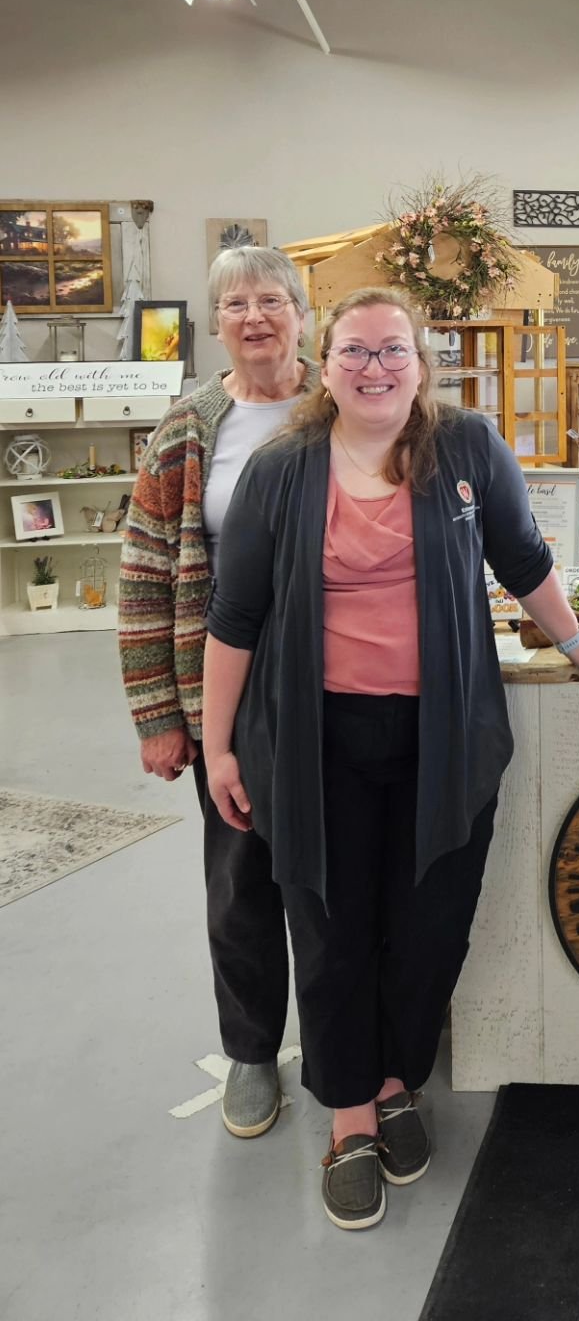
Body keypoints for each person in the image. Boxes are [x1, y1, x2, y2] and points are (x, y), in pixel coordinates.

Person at [202, 286, 579, 1230]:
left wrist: (578, 647)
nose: (375, 369)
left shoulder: (465, 448)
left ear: (421, 361)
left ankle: (399, 1077)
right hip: (315, 745)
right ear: (325, 366)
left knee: (429, 923)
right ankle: (350, 1118)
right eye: (356, 352)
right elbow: (235, 618)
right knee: (330, 929)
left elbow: (522, 558)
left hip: (444, 739)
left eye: (392, 351)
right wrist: (218, 748)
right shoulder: (283, 471)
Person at [118, 245, 316, 1140]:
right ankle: (249, 1051)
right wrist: (160, 717)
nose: (253, 318)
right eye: (234, 304)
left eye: (270, 300)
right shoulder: (188, 429)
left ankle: (354, 1041)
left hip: (341, 687)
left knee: (339, 875)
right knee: (240, 879)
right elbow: (143, 576)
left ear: (303, 314)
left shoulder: (345, 402)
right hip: (226, 694)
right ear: (217, 321)